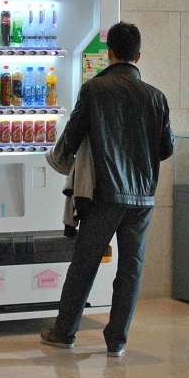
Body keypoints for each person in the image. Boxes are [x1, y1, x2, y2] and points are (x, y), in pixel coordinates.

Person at [41, 21, 174, 356]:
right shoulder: (157, 97)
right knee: (131, 269)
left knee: (84, 264)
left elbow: (72, 136)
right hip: (142, 198)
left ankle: (64, 332)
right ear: (138, 56)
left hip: (103, 194)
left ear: (109, 53)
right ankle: (117, 341)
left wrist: (60, 162)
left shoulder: (94, 90)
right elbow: (166, 149)